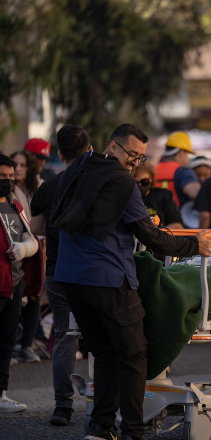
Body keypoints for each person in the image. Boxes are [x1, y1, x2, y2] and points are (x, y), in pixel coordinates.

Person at [51, 123, 211, 440]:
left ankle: (100, 427)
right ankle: (134, 431)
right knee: (134, 354)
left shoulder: (73, 170)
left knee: (105, 352)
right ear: (113, 147)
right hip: (109, 279)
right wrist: (195, 245)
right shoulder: (123, 184)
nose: (134, 163)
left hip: (71, 279)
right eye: (131, 154)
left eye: (140, 158)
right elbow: (152, 238)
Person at [29, 126, 92, 425]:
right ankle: (105, 405)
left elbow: (36, 228)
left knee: (66, 337)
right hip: (96, 273)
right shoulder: (101, 183)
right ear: (90, 149)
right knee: (105, 337)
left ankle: (63, 406)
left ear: (59, 154)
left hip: (59, 271)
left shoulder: (49, 186)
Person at [0, 154, 42, 413]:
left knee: (6, 342)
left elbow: (33, 241)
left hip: (14, 284)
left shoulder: (15, 206)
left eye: (10, 176)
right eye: (1, 176)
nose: (6, 180)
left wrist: (21, 249)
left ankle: (1, 395)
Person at [10, 149, 42, 363]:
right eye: (15, 164)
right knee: (13, 298)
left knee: (34, 295)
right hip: (16, 247)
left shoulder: (37, 188)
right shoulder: (9, 191)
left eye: (22, 165)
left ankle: (27, 346)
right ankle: (10, 348)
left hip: (36, 248)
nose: (18, 169)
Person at [132, 163, 183, 229]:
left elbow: (177, 224)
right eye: (135, 182)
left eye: (144, 181)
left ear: (151, 179)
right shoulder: (127, 197)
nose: (139, 185)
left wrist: (157, 235)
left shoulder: (164, 196)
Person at [155, 131, 200, 207]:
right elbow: (198, 195)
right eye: (187, 154)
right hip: (177, 217)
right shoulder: (183, 172)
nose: (187, 158)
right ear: (181, 153)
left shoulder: (152, 170)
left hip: (153, 218)